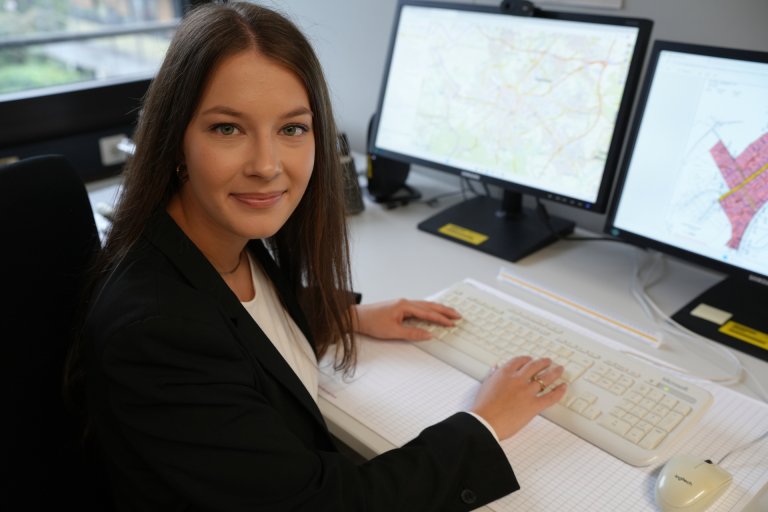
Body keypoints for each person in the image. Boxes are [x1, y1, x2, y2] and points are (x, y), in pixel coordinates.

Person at [70, 2, 567, 510]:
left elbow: (232, 319)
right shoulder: (155, 332)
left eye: (292, 129)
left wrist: (345, 315)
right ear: (176, 139)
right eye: (227, 128)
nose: (267, 166)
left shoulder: (213, 240)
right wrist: (484, 424)